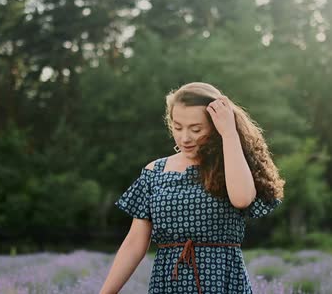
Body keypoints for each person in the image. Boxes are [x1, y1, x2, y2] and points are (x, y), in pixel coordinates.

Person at [99, 82, 285, 294]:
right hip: (169, 284)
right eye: (178, 127)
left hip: (223, 282)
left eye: (196, 129)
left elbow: (242, 199)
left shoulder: (232, 165)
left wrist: (229, 133)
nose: (185, 137)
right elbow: (134, 243)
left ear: (215, 127)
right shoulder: (155, 172)